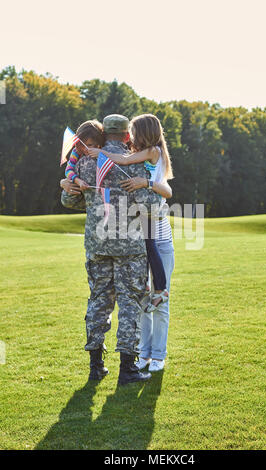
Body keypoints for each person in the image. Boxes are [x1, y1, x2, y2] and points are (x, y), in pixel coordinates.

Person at [60, 114, 162, 386]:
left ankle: (96, 367)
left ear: (105, 134)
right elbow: (153, 209)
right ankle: (127, 370)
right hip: (129, 246)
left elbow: (67, 200)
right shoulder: (136, 163)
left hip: (97, 245)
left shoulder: (84, 163)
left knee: (98, 302)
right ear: (127, 135)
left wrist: (68, 185)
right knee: (130, 304)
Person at [88, 114, 173, 314]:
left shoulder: (152, 151)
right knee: (145, 246)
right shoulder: (154, 151)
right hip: (149, 205)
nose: (131, 137)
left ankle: (160, 289)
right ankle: (147, 286)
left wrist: (100, 153)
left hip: (151, 206)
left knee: (150, 246)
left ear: (144, 133)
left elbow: (124, 160)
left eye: (134, 132)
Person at [65, 120, 105, 192]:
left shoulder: (103, 150)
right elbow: (68, 170)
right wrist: (78, 181)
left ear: (98, 142)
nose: (85, 148)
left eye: (89, 145)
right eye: (81, 144)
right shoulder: (76, 152)